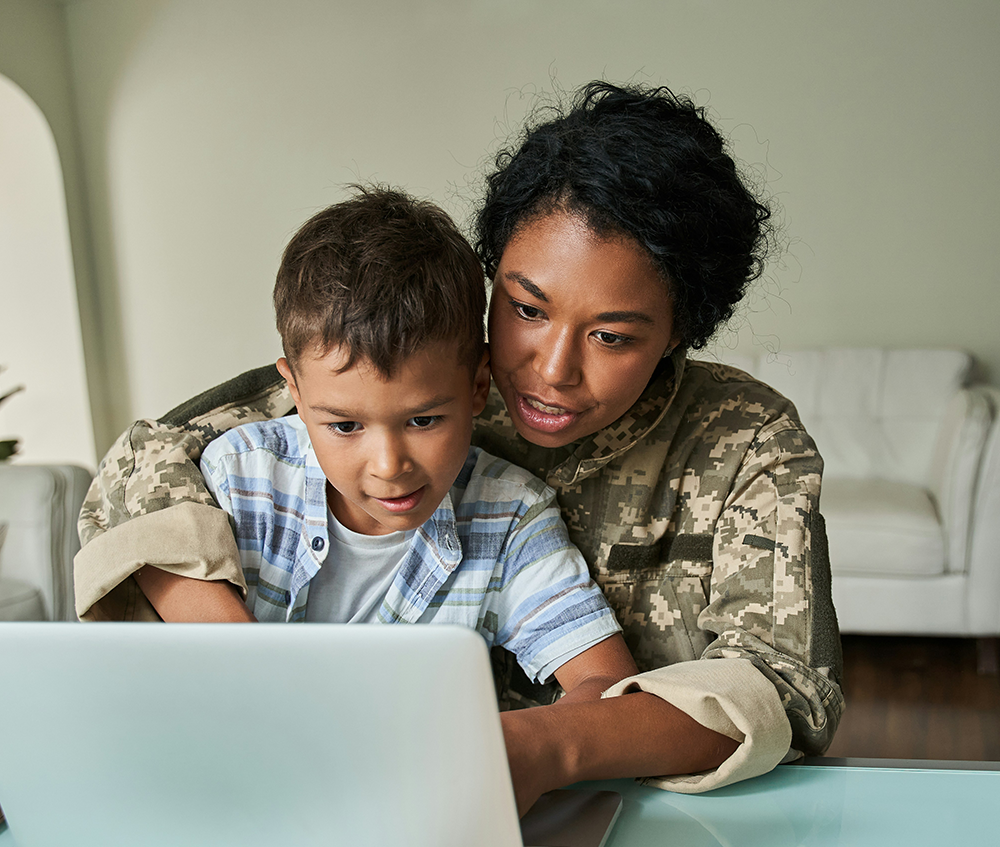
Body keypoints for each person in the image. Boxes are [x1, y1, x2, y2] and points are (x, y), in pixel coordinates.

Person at [76, 81, 843, 803]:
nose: (549, 371)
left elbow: (783, 686)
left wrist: (550, 747)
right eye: (526, 308)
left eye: (611, 336)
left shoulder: (743, 442)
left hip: (620, 817)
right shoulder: (414, 372)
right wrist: (254, 676)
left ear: (682, 332)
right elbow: (148, 462)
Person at [196, 188, 637, 724]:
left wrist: (502, 747)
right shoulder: (239, 478)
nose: (389, 465)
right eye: (344, 425)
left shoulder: (510, 519)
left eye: (422, 421)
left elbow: (607, 682)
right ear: (295, 392)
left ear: (478, 384)